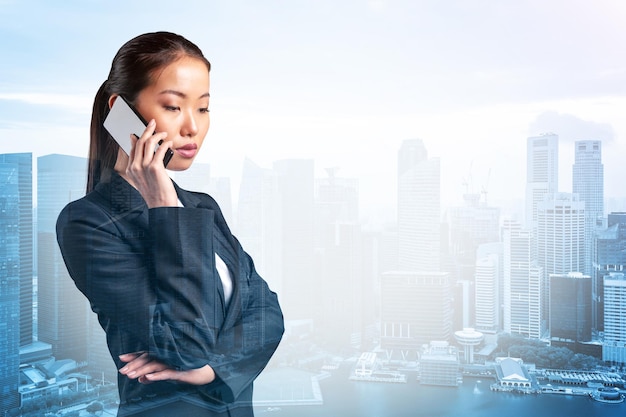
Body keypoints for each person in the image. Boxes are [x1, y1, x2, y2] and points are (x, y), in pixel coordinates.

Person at [56, 31, 284, 417]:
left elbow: (269, 317)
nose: (192, 127)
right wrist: (164, 205)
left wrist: (212, 370)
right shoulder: (88, 222)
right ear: (120, 112)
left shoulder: (201, 206)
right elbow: (185, 346)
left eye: (204, 108)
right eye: (174, 107)